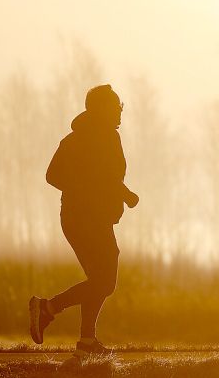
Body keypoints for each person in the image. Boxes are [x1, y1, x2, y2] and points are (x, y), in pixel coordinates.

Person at [29, 84, 140, 357]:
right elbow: (62, 176)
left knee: (99, 280)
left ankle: (86, 342)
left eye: (120, 106)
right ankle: (49, 308)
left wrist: (120, 194)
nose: (120, 112)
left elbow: (100, 178)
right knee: (104, 282)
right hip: (85, 218)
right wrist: (112, 194)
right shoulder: (90, 139)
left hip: (86, 218)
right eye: (115, 106)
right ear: (100, 109)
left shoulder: (90, 138)